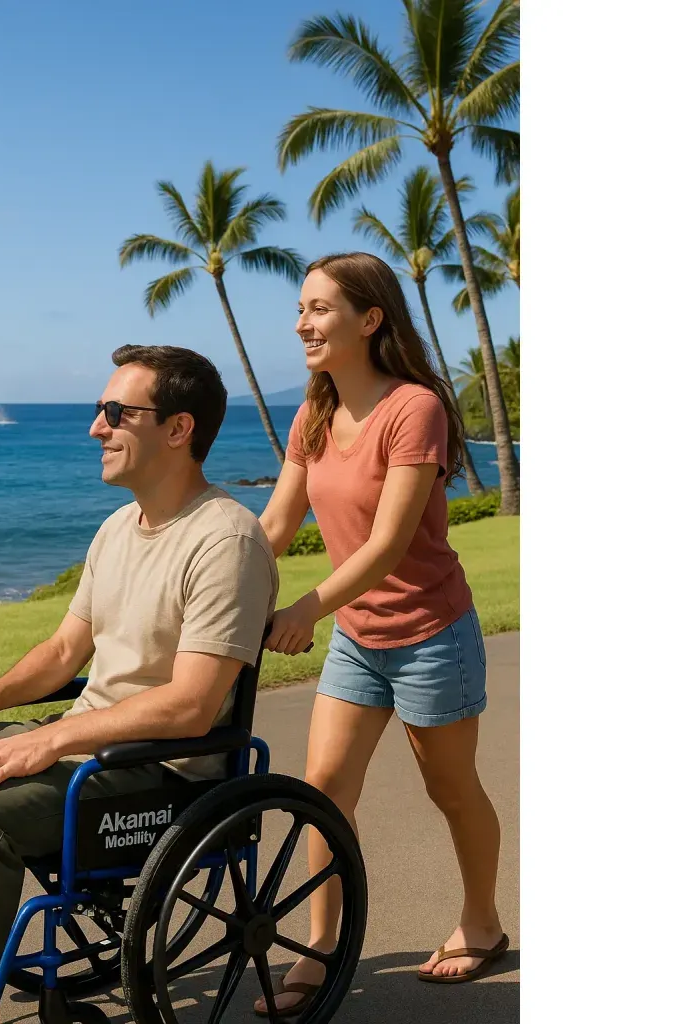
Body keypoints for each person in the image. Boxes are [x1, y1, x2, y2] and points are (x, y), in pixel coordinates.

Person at [0, 344, 279, 1024]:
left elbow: (192, 705)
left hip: (161, 773)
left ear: (177, 429)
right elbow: (64, 648)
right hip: (89, 752)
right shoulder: (116, 529)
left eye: (114, 412)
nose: (95, 428)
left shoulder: (227, 541)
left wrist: (55, 740)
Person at [253, 253, 507, 1016]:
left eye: (321, 308)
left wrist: (306, 608)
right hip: (360, 639)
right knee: (324, 791)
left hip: (432, 632)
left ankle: (483, 924)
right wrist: (202, 583)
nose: (303, 322)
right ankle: (322, 947)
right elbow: (274, 523)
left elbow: (389, 545)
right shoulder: (314, 415)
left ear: (371, 319)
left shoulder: (414, 408)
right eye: (301, 308)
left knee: (450, 789)